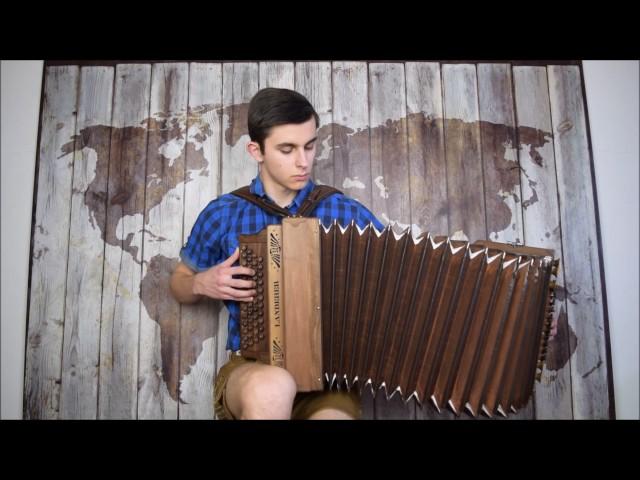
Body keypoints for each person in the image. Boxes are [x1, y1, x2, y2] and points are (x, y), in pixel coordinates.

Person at [170, 87, 384, 420]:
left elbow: (398, 274)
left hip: (330, 377)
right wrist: (201, 283)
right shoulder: (224, 213)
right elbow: (178, 284)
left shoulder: (344, 210)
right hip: (254, 370)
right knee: (273, 388)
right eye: (287, 149)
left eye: (310, 146)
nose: (303, 161)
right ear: (256, 150)